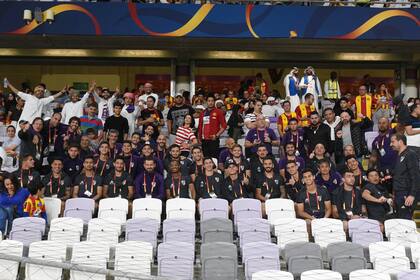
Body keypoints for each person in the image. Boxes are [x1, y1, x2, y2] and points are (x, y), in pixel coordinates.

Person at [390, 134, 420, 220]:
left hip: (406, 194)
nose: (391, 144)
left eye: (393, 142)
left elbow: (416, 176)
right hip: (399, 193)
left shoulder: (410, 154)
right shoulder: (399, 155)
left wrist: (412, 195)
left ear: (400, 142)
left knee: (405, 221)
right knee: (400, 220)